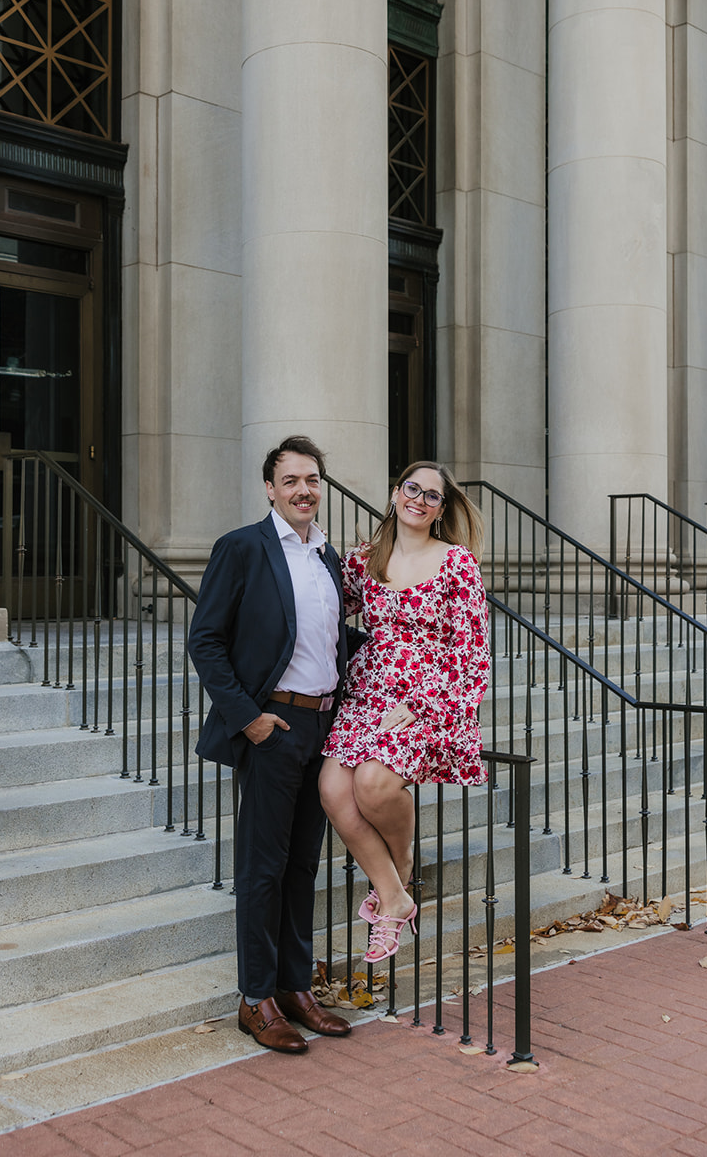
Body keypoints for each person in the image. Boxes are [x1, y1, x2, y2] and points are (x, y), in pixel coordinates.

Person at [188, 435, 363, 1054]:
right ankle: (255, 997)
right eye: (290, 481)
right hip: (274, 729)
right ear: (270, 488)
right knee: (262, 869)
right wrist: (249, 718)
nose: (303, 490)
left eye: (312, 479)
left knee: (302, 865)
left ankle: (294, 987)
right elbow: (205, 640)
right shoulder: (243, 549)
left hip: (324, 727)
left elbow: (335, 641)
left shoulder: (329, 558)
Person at [319, 461, 490, 964]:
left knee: (372, 784)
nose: (419, 499)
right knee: (332, 791)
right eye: (412, 488)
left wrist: (421, 705)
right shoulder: (365, 561)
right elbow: (320, 602)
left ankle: (402, 863)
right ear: (395, 494)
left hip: (423, 700)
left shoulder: (457, 564)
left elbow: (472, 650)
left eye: (432, 496)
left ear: (440, 510)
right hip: (366, 692)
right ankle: (395, 894)